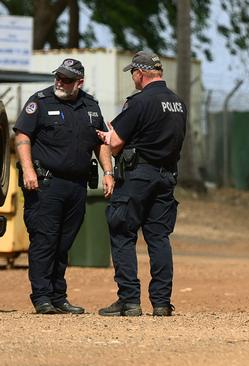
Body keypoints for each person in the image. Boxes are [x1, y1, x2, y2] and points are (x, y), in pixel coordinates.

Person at [13, 58, 114, 314]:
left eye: (66, 79)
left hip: (77, 185)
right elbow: (22, 135)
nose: (59, 81)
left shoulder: (90, 106)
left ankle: (59, 296)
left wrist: (108, 172)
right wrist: (27, 170)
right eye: (58, 76)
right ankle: (42, 297)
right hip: (46, 183)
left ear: (79, 82)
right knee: (44, 240)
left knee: (63, 243)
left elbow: (100, 141)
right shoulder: (41, 101)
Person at [97, 51, 186, 317]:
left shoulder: (139, 102)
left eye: (133, 73)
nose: (133, 78)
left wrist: (107, 135)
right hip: (166, 177)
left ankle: (129, 301)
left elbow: (114, 142)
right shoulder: (178, 103)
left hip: (138, 176)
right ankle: (161, 303)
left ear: (140, 73)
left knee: (122, 232)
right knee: (159, 238)